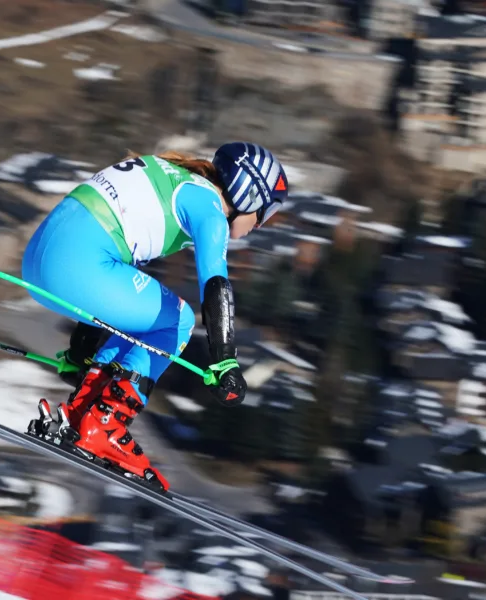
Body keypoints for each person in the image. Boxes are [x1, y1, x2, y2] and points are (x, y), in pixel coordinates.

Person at [23, 142, 289, 490]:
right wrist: (224, 360)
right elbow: (216, 284)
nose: (261, 224)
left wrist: (80, 352)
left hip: (38, 265)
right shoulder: (209, 207)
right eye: (266, 212)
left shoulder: (173, 175)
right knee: (179, 320)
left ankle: (83, 411)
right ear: (248, 194)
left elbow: (105, 286)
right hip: (76, 267)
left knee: (146, 318)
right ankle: (106, 426)